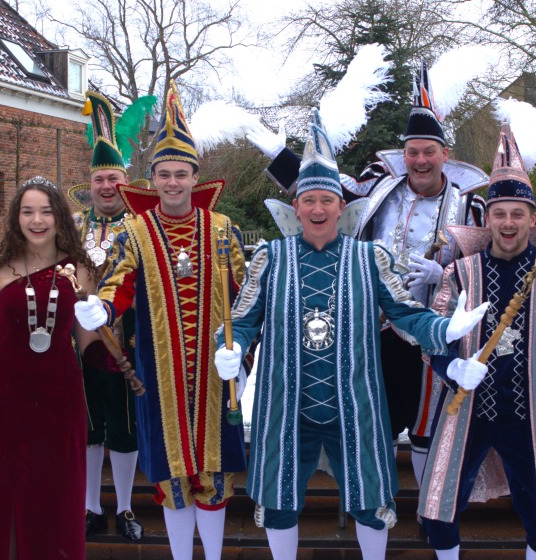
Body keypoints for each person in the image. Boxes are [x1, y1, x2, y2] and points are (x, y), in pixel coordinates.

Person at [214, 109, 488, 560]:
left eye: (327, 200)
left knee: (371, 503)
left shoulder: (369, 259)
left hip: (356, 405)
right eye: (309, 200)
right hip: (285, 405)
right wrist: (232, 348)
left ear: (341, 207)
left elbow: (406, 314)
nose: (318, 209)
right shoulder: (270, 258)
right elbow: (242, 321)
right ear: (296, 206)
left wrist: (445, 328)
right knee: (279, 504)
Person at [247, 61, 487, 485]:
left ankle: (427, 510)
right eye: (413, 151)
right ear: (404, 154)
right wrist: (281, 157)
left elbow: (487, 267)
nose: (420, 160)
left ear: (445, 155)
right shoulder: (380, 183)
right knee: (373, 419)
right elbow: (325, 194)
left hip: (435, 331)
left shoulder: (471, 206)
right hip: (373, 327)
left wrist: (446, 275)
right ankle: (376, 503)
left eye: (429, 151)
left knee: (427, 426)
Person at [74, 80, 247, 560]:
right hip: (160, 376)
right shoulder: (135, 231)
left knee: (213, 475)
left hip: (214, 375)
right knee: (172, 477)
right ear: (152, 179)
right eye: (164, 174)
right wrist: (103, 308)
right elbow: (119, 284)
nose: (172, 182)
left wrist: (244, 351)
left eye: (181, 174)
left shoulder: (222, 229)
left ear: (195, 177)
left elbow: (247, 295)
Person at [418, 123, 536, 560]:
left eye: (517, 214)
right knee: (438, 509)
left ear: (532, 219)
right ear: (487, 219)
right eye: (500, 213)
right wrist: (451, 366)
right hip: (469, 408)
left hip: (528, 412)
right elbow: (431, 337)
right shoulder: (461, 272)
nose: (508, 223)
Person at [0, 176, 98, 560]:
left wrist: (117, 360)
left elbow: (90, 342)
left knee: (56, 500)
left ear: (59, 216)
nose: (37, 220)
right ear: (17, 217)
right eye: (28, 211)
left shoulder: (80, 269)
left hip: (59, 402)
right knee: (3, 498)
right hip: (1, 403)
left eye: (46, 211)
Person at [69, 90, 155, 541]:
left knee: (124, 427)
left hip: (128, 341)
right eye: (99, 178)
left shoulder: (143, 226)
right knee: (88, 428)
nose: (106, 186)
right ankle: (90, 507)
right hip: (78, 346)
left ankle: (123, 507)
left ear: (126, 181)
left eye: (114, 178)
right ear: (91, 182)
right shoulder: (72, 225)